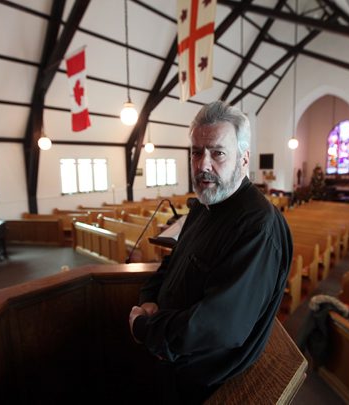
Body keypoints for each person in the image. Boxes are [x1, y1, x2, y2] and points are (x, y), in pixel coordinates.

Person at [129, 100, 293, 404]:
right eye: (196, 152)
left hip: (208, 382)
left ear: (244, 159)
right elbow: (174, 264)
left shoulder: (257, 226)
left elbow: (220, 326)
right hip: (175, 359)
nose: (203, 164)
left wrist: (145, 328)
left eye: (217, 152)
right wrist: (149, 298)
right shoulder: (204, 206)